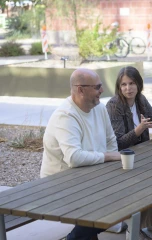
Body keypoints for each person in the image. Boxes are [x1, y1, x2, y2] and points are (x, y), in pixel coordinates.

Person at [40, 68, 122, 240]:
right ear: (80, 89)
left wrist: (112, 167)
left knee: (131, 191)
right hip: (60, 185)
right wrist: (108, 157)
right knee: (108, 201)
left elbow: (110, 140)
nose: (102, 90)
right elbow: (74, 157)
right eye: (98, 87)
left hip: (89, 178)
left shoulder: (99, 108)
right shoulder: (66, 116)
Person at [106, 66, 152, 240]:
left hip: (143, 153)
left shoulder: (141, 100)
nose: (128, 88)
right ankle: (139, 225)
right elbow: (118, 143)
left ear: (139, 85)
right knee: (148, 177)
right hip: (122, 159)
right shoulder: (114, 105)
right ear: (118, 86)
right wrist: (138, 131)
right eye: (124, 84)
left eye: (131, 83)